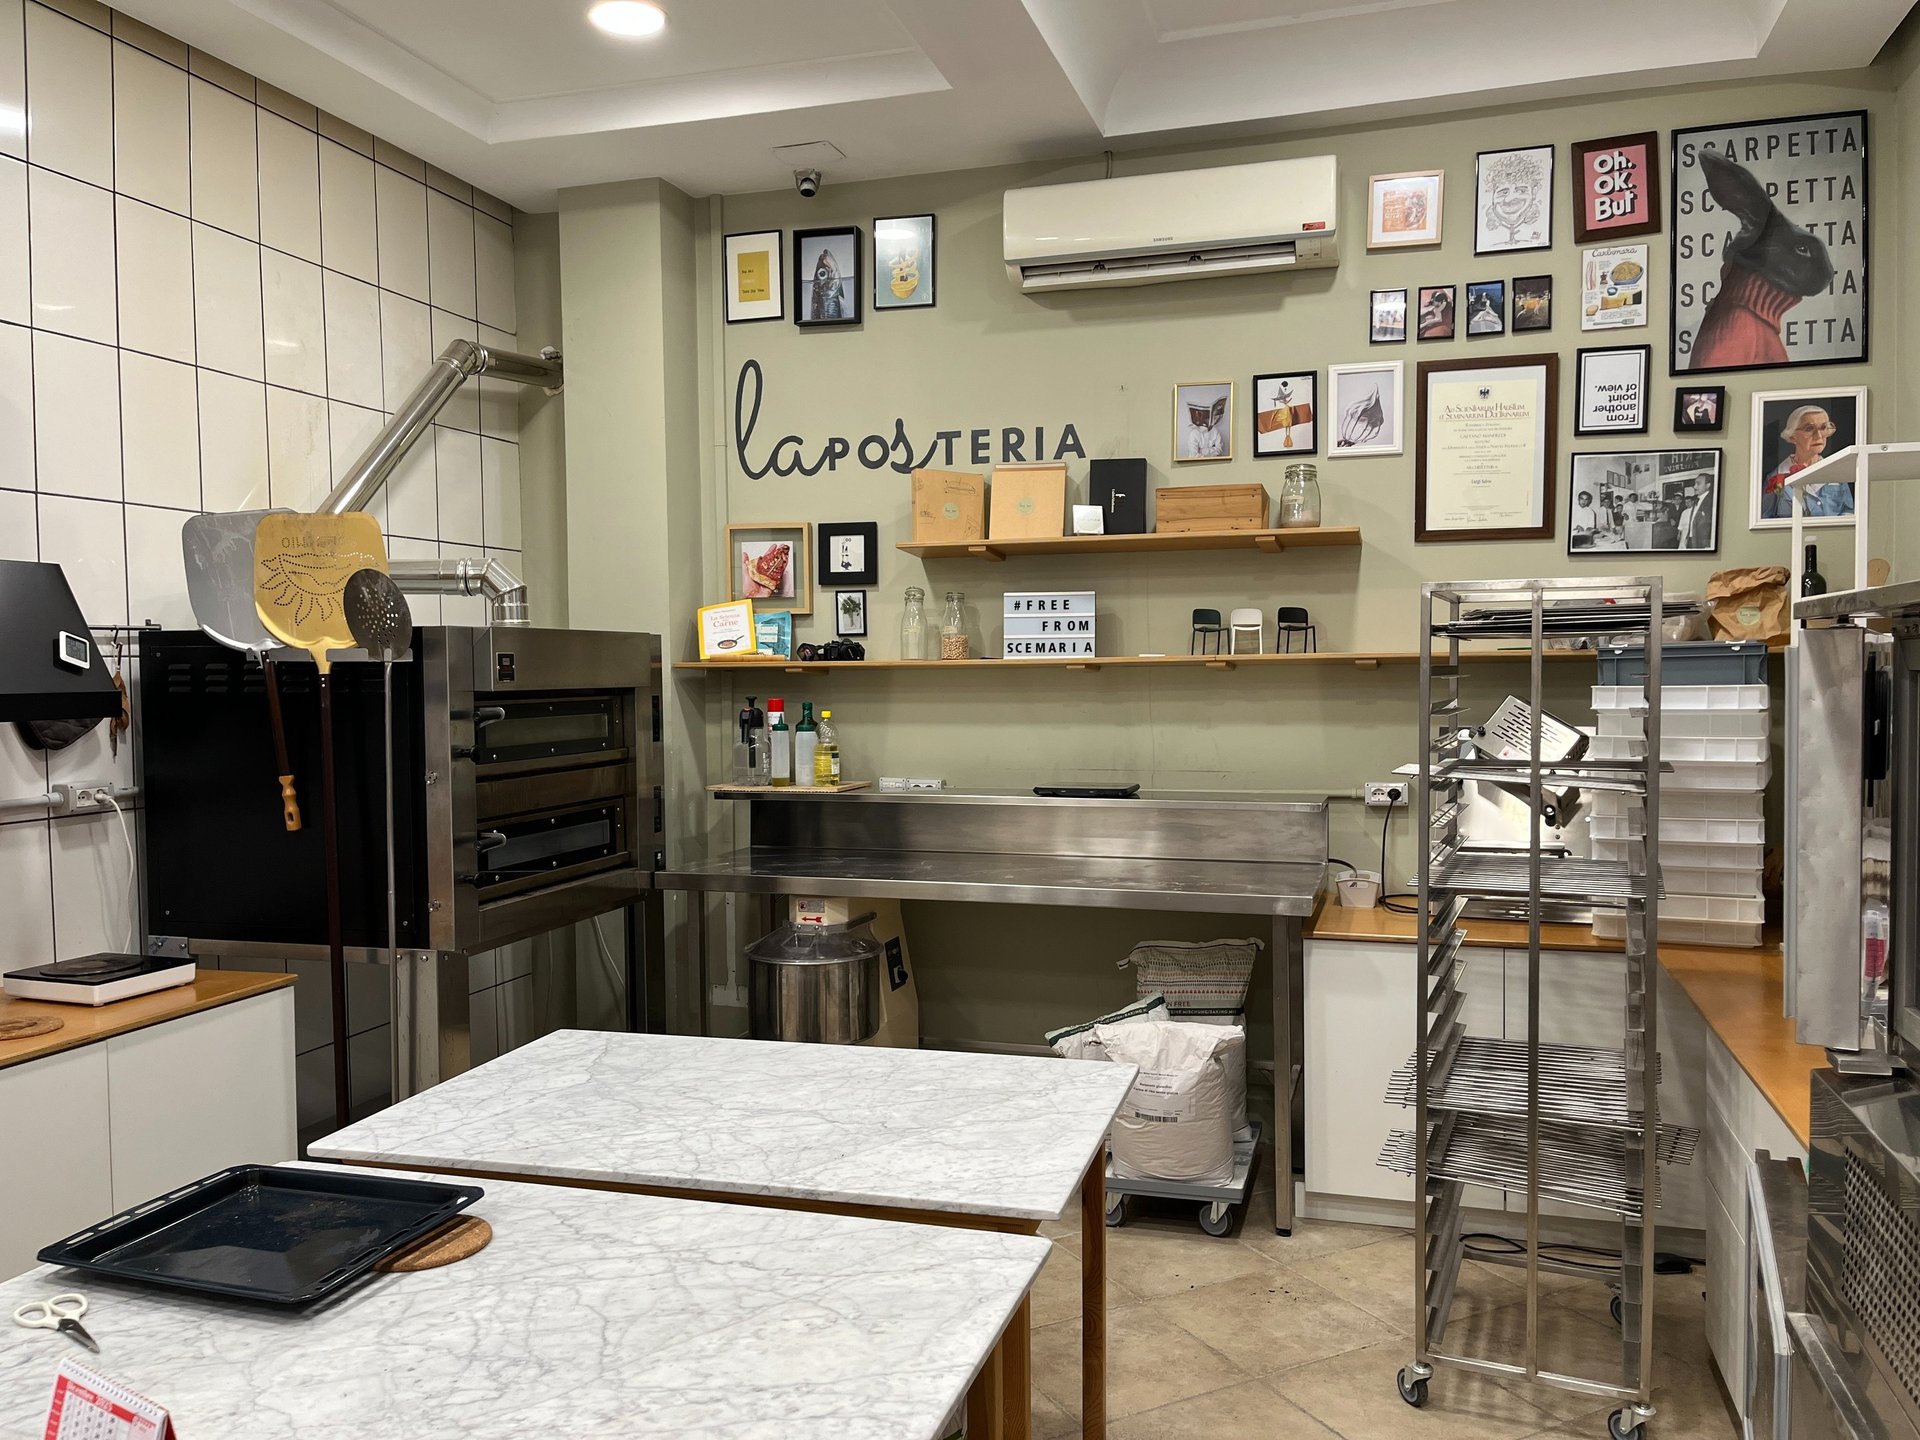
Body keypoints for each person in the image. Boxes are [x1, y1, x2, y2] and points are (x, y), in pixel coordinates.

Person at [1760, 405, 1847, 519]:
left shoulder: (1837, 474)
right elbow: (1765, 519)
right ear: (1792, 436)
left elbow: (1849, 512)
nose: (1819, 436)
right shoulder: (1775, 478)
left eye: (1823, 427)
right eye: (1809, 429)